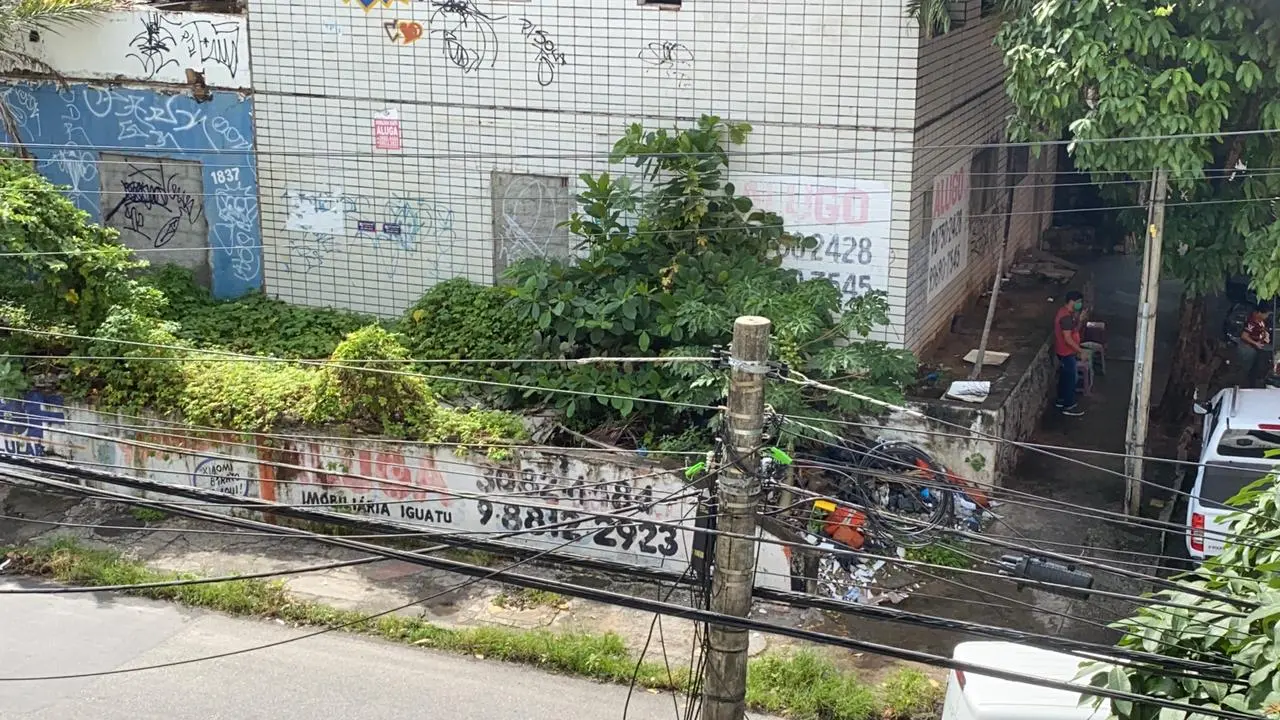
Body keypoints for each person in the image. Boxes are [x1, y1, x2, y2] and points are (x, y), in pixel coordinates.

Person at [1053, 290, 1086, 417]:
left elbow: (1074, 331)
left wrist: (1080, 320)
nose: (1080, 304)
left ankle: (1061, 400)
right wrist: (1080, 351)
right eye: (1078, 302)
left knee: (1065, 377)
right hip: (1066, 352)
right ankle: (1069, 405)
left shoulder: (1066, 313)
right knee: (1071, 379)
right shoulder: (1065, 317)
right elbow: (1068, 339)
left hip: (1065, 351)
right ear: (1071, 301)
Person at [1237, 303, 1273, 387]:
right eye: (1266, 314)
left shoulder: (1261, 320)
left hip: (1260, 345)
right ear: (1259, 313)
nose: (1267, 317)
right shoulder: (1252, 321)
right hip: (1249, 348)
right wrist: (1255, 343)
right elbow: (1244, 336)